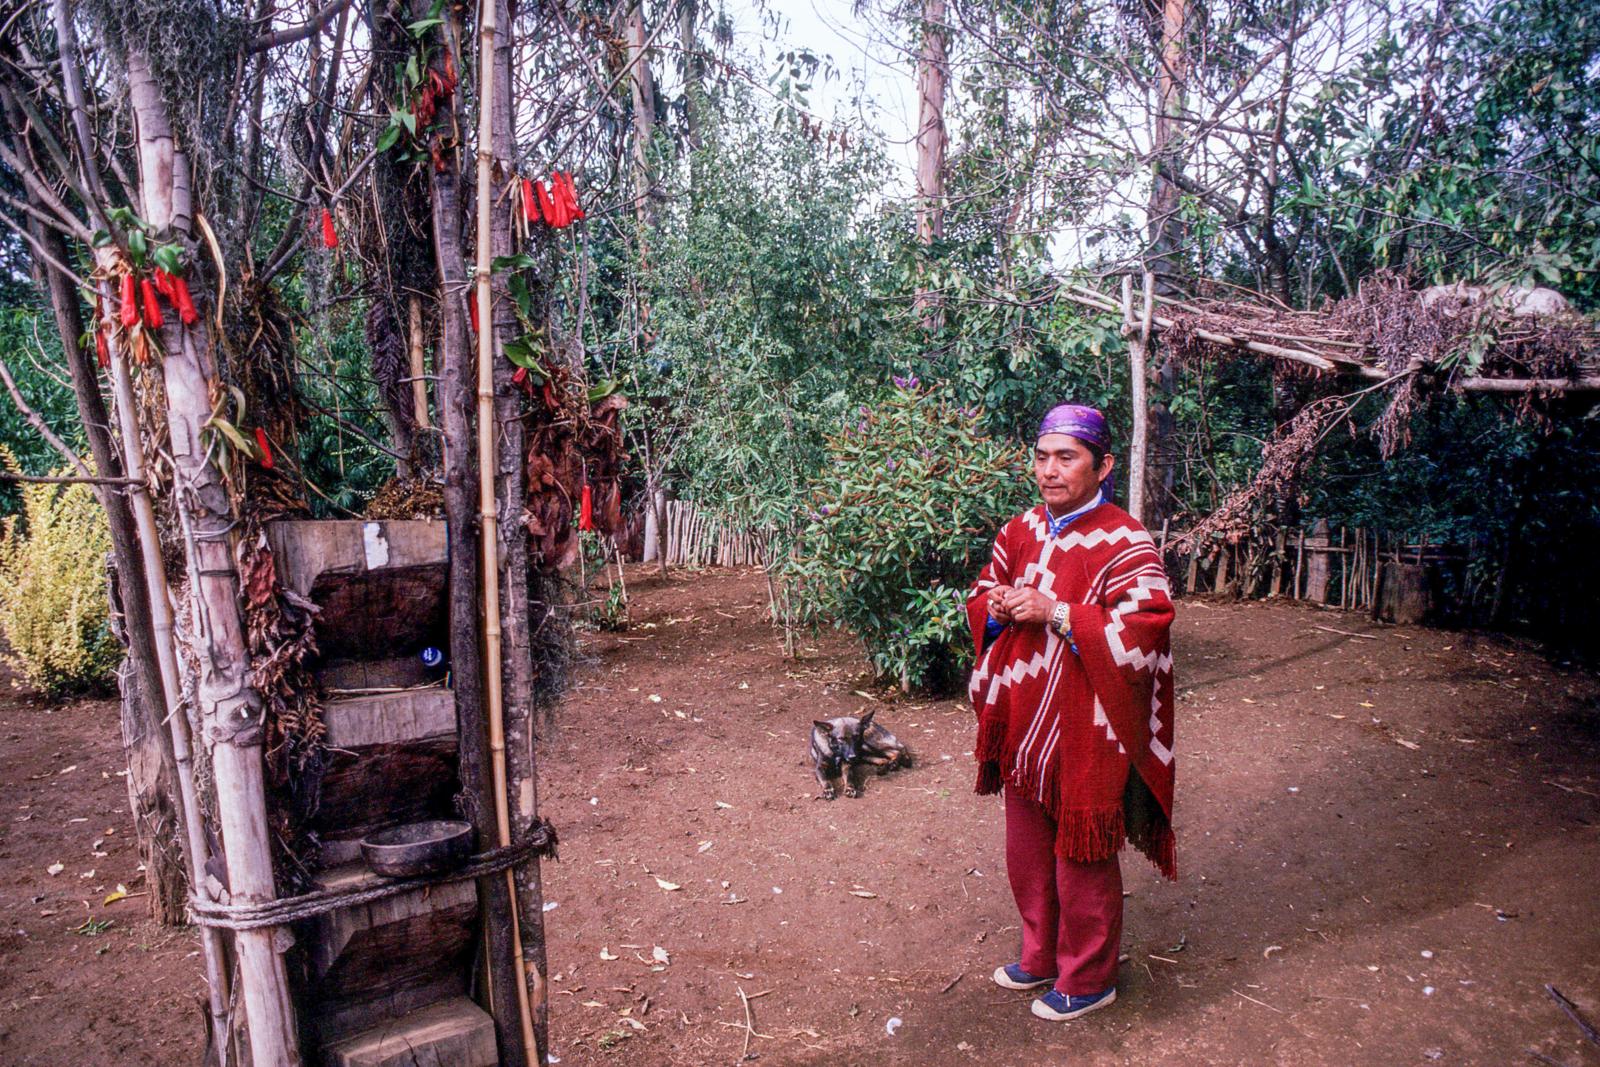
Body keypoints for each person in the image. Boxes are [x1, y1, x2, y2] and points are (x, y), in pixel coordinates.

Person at [966, 402, 1177, 1022]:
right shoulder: (1023, 527)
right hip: (1023, 721)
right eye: (1041, 457)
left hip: (1089, 724)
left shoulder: (1124, 538)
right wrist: (999, 603)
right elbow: (982, 590)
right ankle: (1039, 955)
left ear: (1103, 464)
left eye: (1067, 457)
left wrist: (1056, 612)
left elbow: (1148, 624)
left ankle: (1089, 977)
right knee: (1027, 846)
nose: (1050, 471)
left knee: (1082, 852)